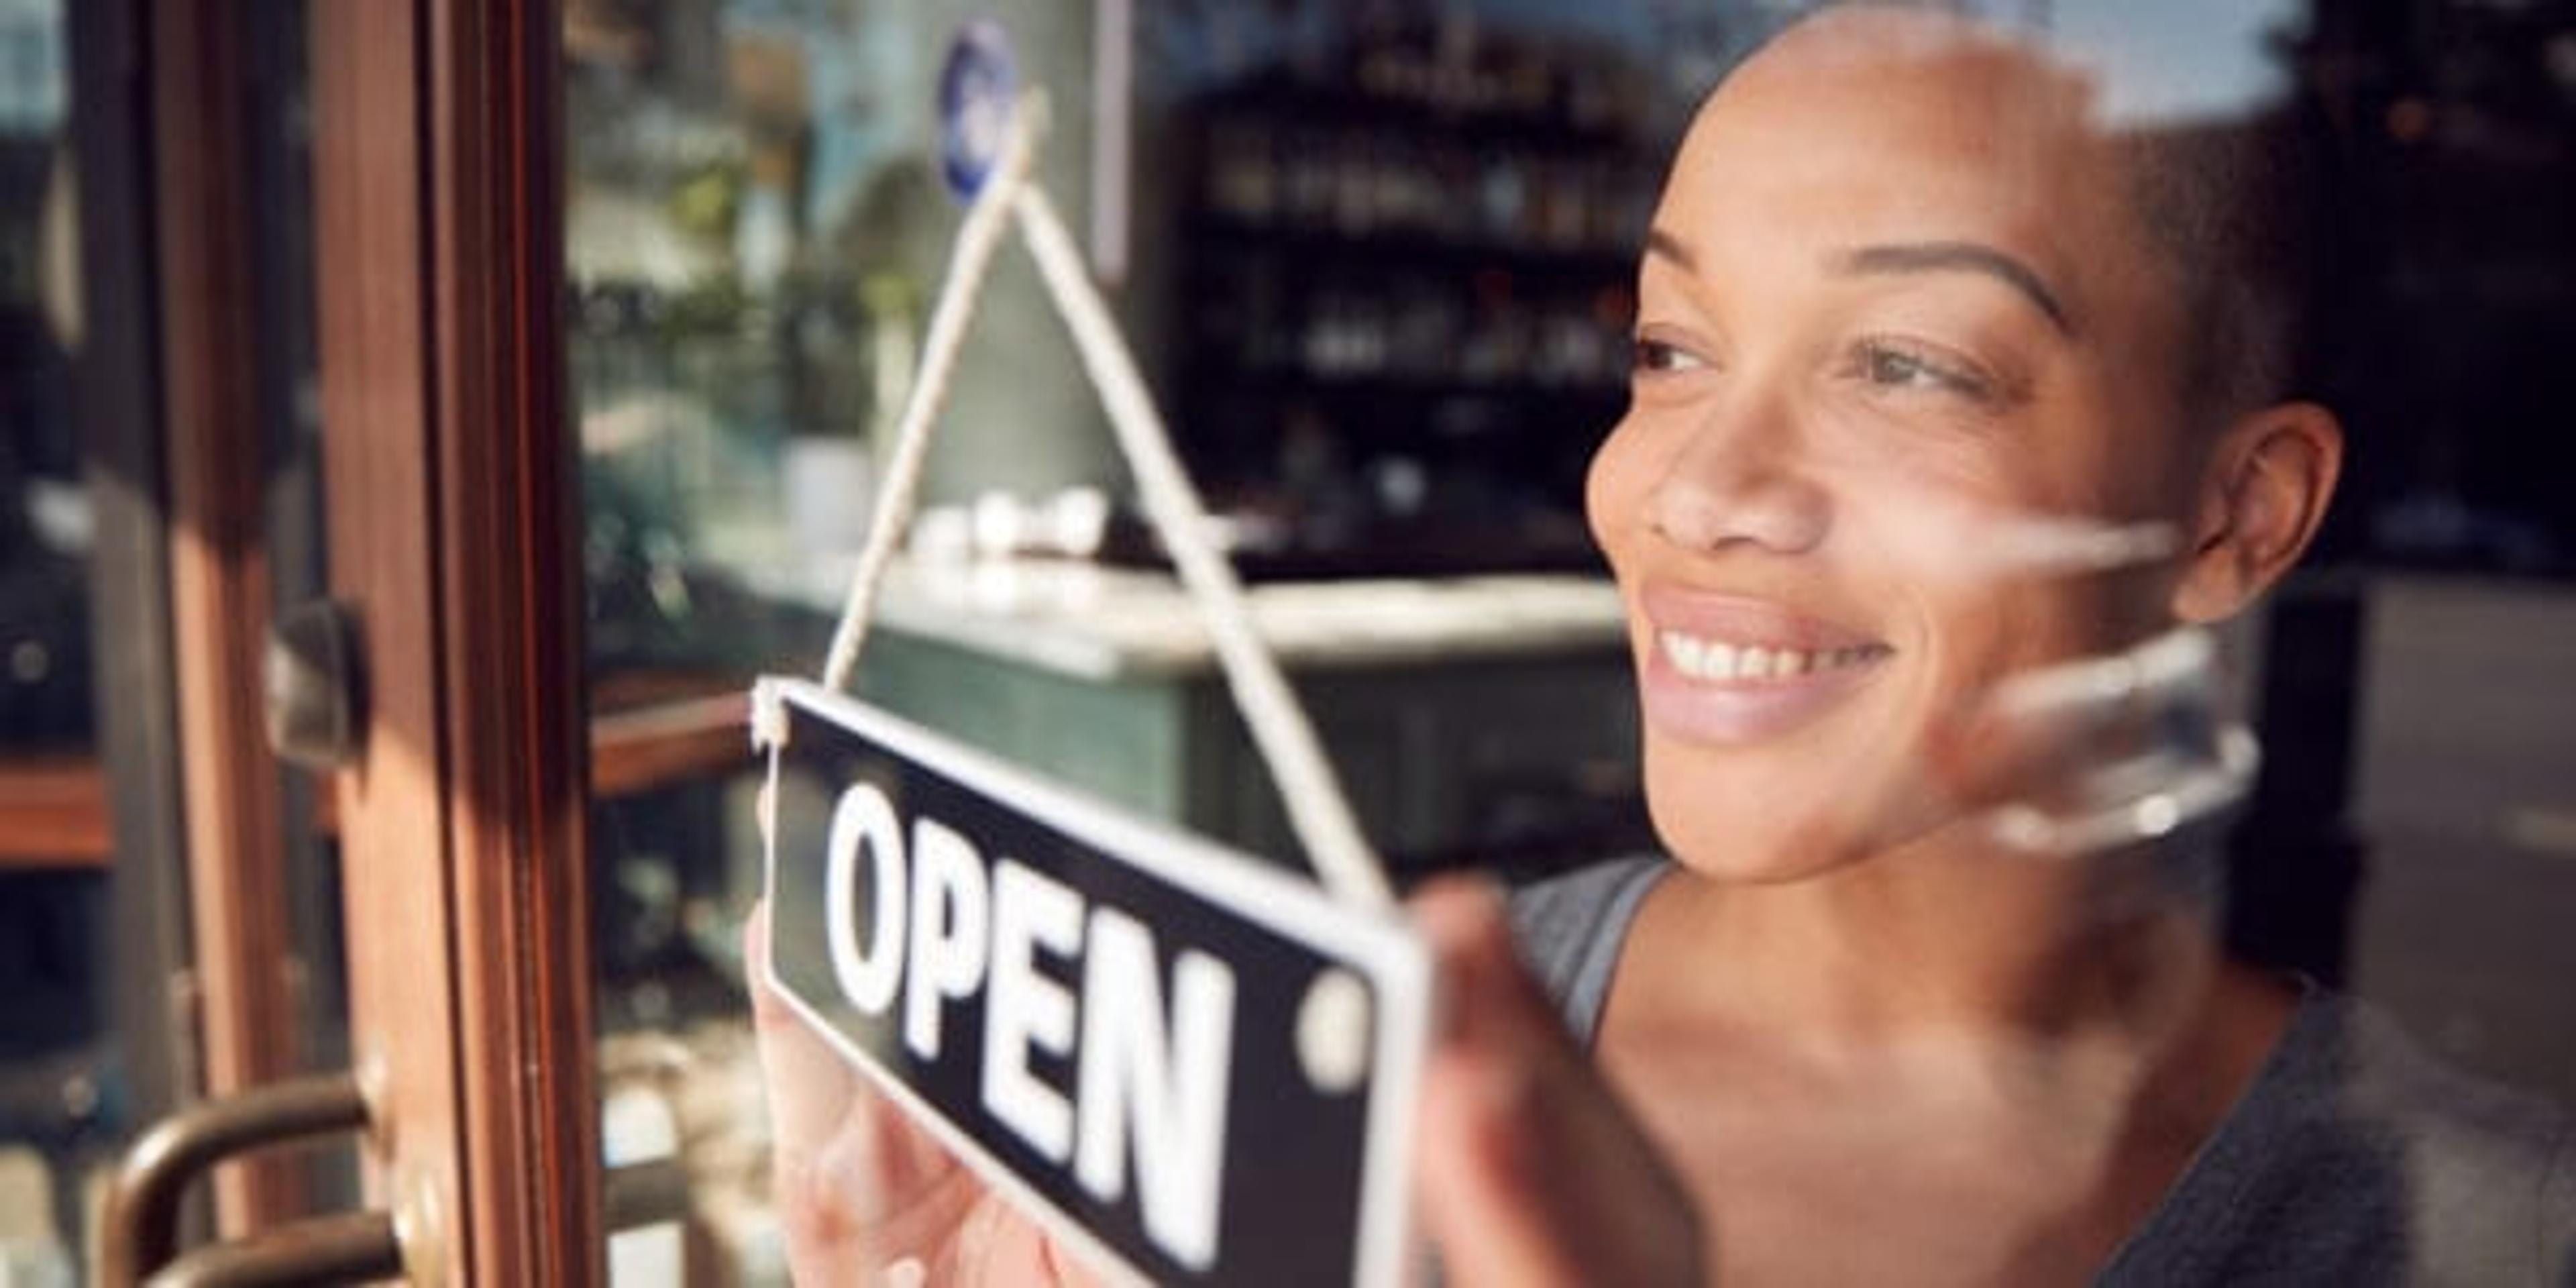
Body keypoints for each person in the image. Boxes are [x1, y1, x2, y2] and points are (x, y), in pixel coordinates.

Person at [747, 5, 2575, 1283]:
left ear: (2235, 517)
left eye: (1907, 367)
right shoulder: (1352, 1059)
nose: (1690, 488)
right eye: (1670, 349)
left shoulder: (2484, 1235)